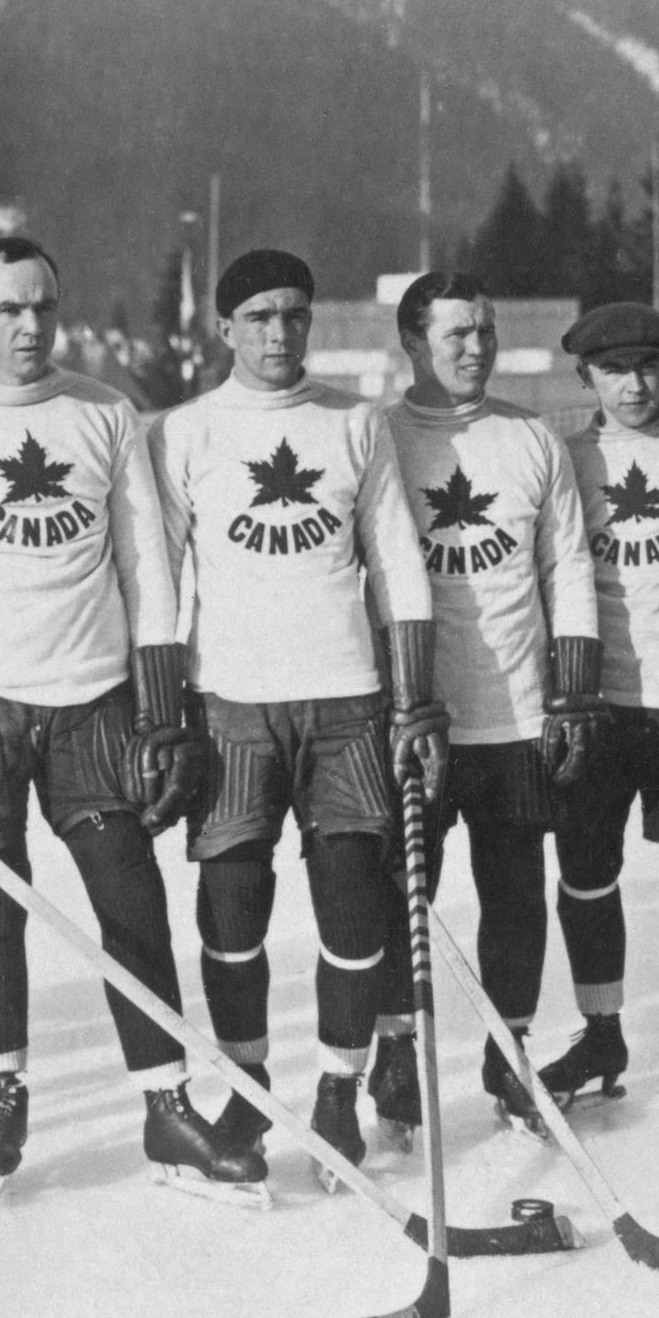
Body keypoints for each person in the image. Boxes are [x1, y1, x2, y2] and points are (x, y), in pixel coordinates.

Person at [0, 236, 255, 1201]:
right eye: (7, 310)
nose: (29, 327)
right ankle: (3, 1089)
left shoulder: (104, 413)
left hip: (93, 701)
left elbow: (148, 566)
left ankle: (166, 1105)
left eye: (42, 308)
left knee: (130, 897)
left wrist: (161, 712)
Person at [150, 249, 445, 1182]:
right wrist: (161, 712)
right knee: (231, 908)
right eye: (261, 317)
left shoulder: (354, 424)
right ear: (227, 328)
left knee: (353, 906)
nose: (281, 334)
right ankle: (245, 1088)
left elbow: (397, 562)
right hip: (232, 703)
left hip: (346, 703)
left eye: (296, 316)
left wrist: (414, 701)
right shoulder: (187, 431)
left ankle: (335, 1090)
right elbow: (156, 579)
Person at [368, 274, 600, 1140]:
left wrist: (572, 691)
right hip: (417, 713)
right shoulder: (381, 437)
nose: (477, 347)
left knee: (514, 896)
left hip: (513, 716)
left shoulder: (529, 437)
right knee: (400, 893)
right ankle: (396, 1055)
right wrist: (390, 696)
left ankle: (510, 1057)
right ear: (413, 343)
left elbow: (567, 567)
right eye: (458, 333)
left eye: (488, 331)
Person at [522, 300, 659, 1112]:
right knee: (584, 876)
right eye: (614, 370)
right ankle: (601, 1032)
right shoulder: (568, 457)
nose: (634, 383)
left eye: (649, 366)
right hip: (598, 705)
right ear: (587, 378)